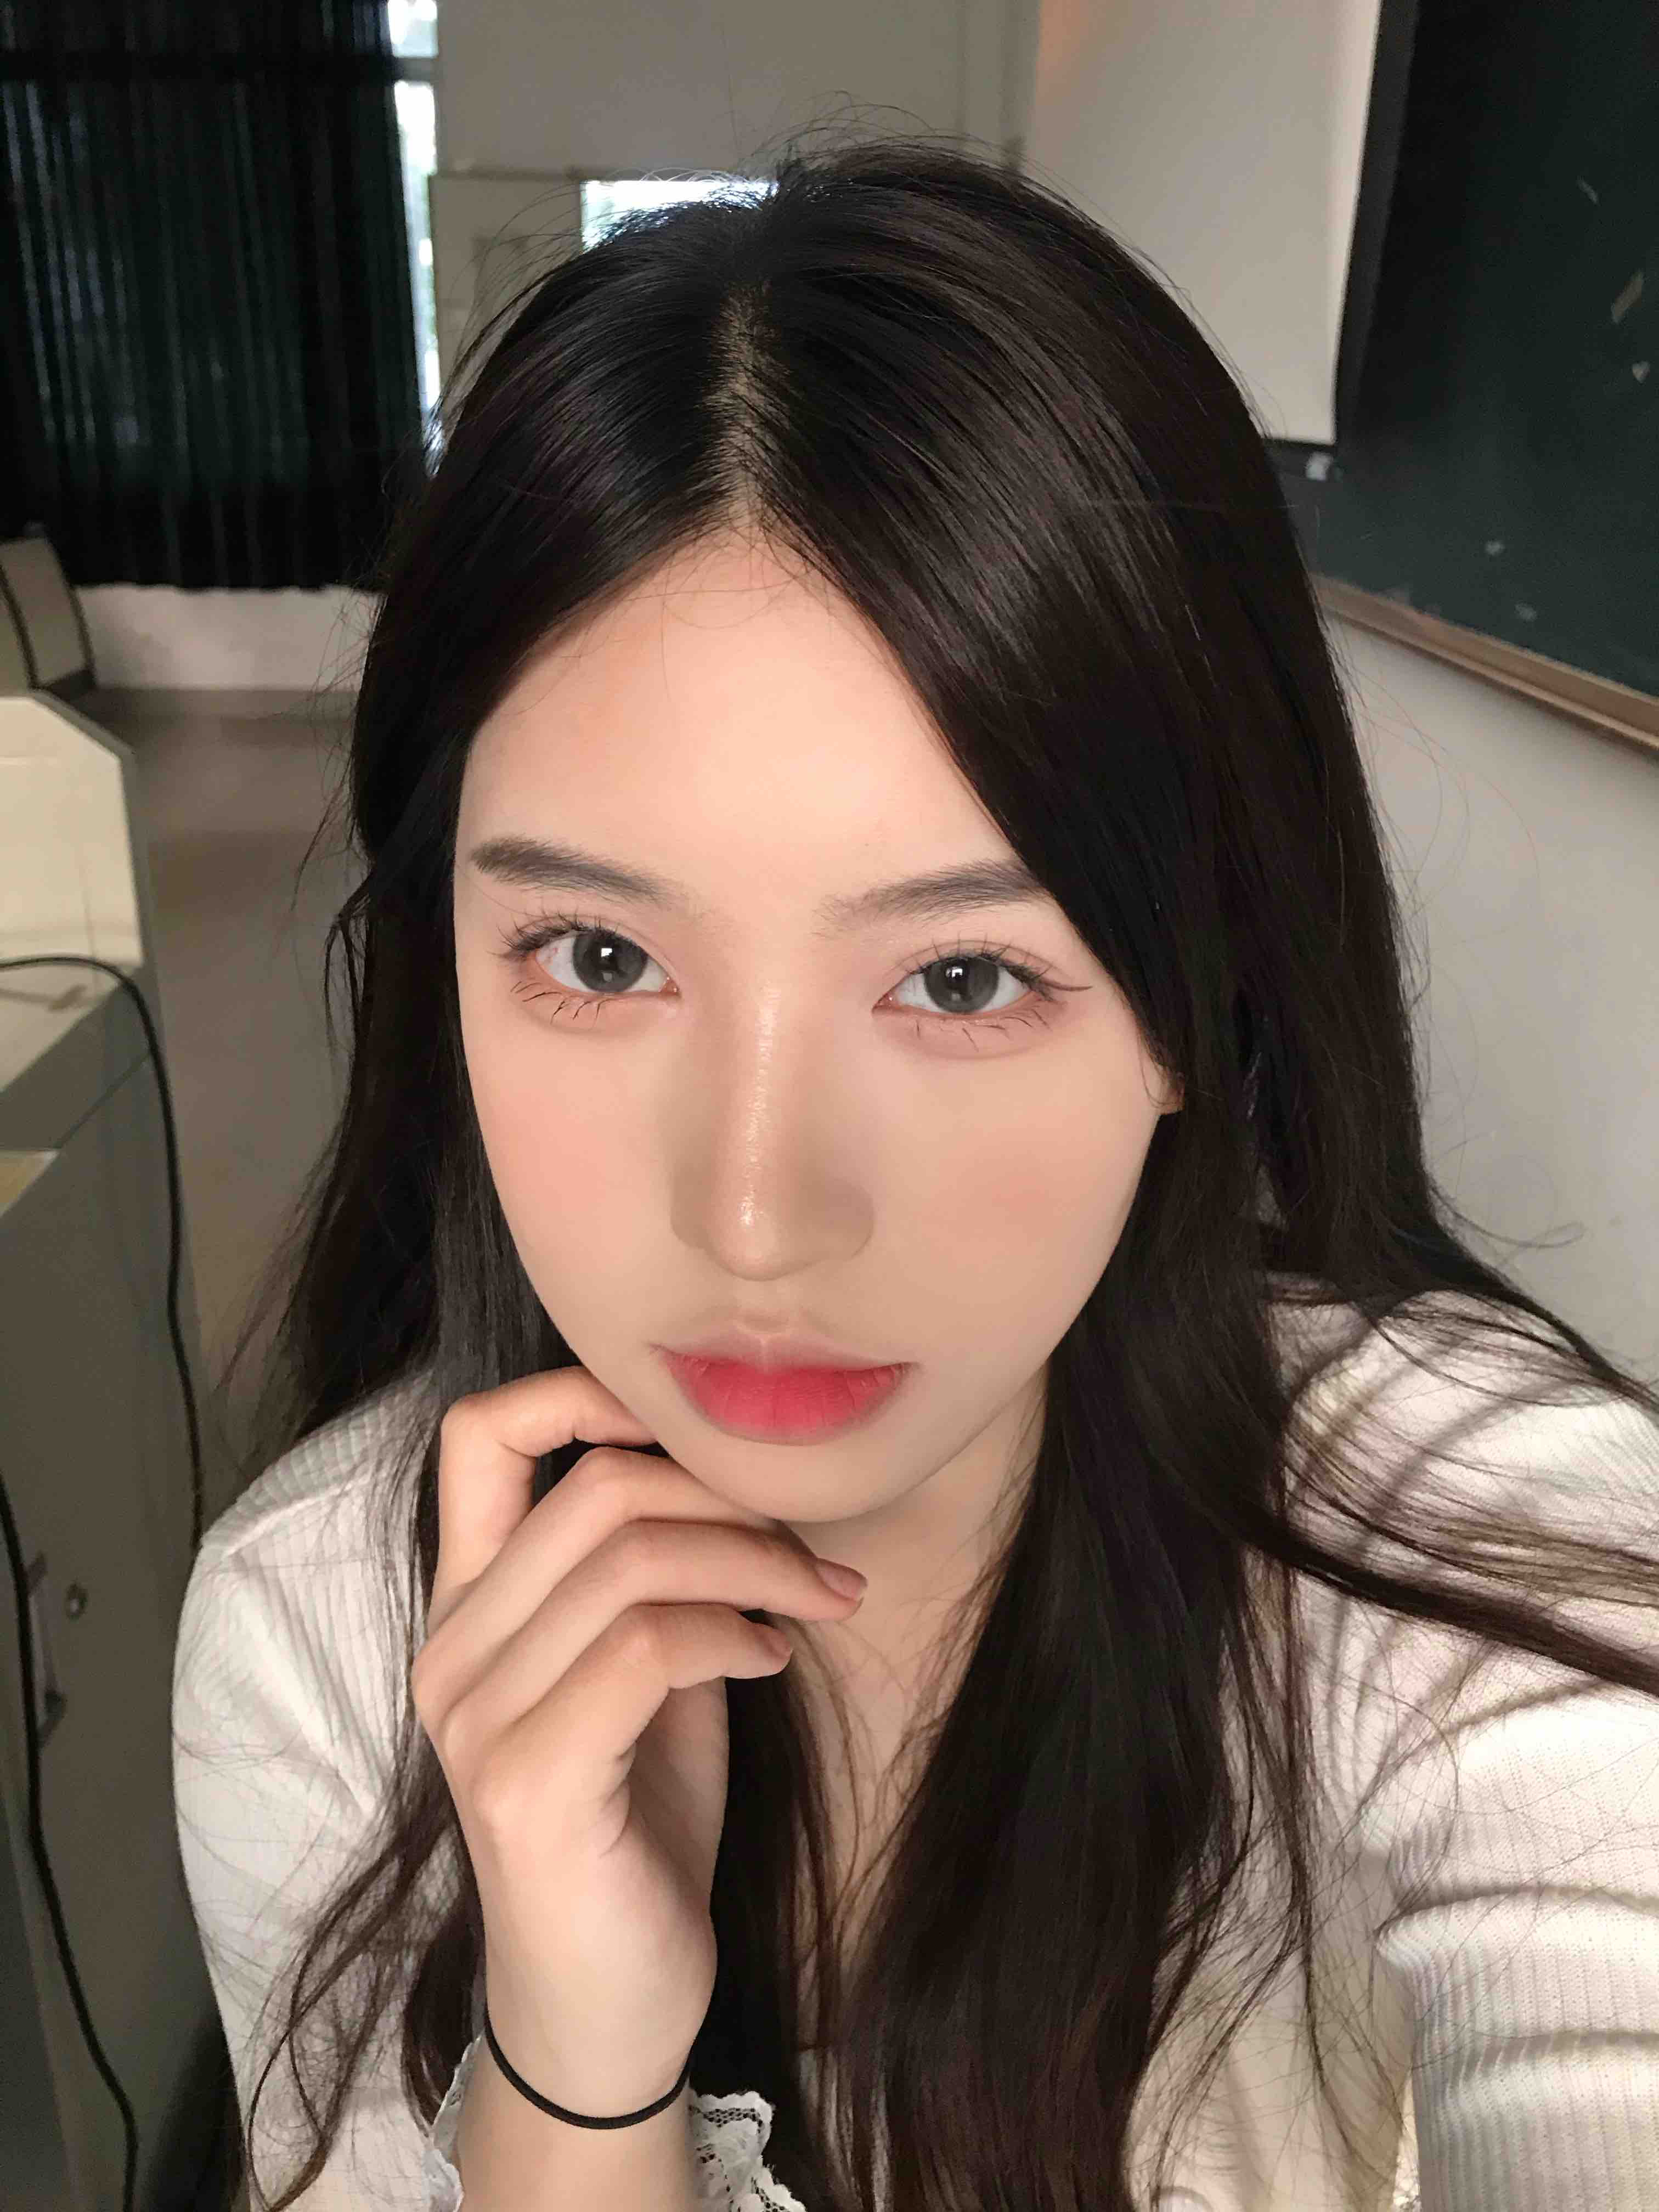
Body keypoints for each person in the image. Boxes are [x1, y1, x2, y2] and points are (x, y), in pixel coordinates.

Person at [171, 133, 1659, 2212]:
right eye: (597, 958)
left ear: (1199, 1007)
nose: (757, 1217)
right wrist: (575, 2063)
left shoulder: (1476, 1552)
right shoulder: (324, 1631)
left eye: (962, 977)